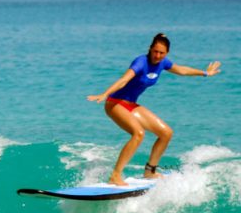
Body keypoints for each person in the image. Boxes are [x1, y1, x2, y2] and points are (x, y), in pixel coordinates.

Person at [87, 33, 221, 185]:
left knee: (166, 133)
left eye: (161, 53)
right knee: (138, 133)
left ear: (166, 53)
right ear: (150, 49)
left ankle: (150, 171)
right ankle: (115, 176)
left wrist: (205, 73)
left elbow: (182, 70)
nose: (157, 55)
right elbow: (124, 80)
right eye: (155, 51)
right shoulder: (141, 62)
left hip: (131, 104)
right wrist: (105, 94)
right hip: (114, 103)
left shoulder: (163, 63)